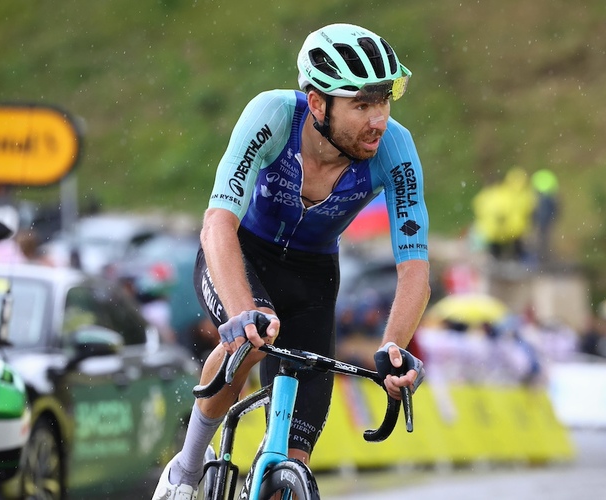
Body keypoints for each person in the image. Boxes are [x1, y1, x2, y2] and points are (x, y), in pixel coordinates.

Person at [153, 23, 430, 499]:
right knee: (254, 341)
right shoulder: (274, 115)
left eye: (384, 100)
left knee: (296, 453)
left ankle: (278, 477)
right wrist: (243, 313)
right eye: (362, 104)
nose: (378, 120)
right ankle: (187, 469)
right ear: (318, 104)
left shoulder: (395, 149)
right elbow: (217, 224)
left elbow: (415, 269)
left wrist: (393, 346)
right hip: (242, 254)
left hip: (313, 277)